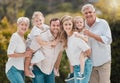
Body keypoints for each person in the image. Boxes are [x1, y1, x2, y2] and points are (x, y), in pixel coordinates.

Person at [81, 4, 112, 83]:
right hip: (90, 64)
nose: (88, 14)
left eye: (90, 12)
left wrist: (91, 35)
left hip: (103, 62)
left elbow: (108, 40)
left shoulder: (103, 23)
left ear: (94, 12)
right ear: (83, 15)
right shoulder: (82, 25)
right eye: (86, 13)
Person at [60, 15, 91, 83]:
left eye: (70, 24)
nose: (68, 26)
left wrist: (82, 56)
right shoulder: (65, 38)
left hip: (84, 65)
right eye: (66, 24)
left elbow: (88, 50)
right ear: (62, 26)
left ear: (72, 25)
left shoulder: (75, 36)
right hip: (76, 67)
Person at [32, 18, 63, 83]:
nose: (55, 27)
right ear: (50, 26)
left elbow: (60, 53)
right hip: (38, 69)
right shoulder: (43, 36)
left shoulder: (61, 39)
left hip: (50, 70)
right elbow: (31, 50)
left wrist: (56, 68)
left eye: (57, 25)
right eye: (53, 25)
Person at [24, 11, 49, 78]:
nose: (39, 22)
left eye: (40, 20)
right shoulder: (36, 30)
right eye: (36, 21)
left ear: (43, 19)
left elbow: (50, 31)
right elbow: (40, 41)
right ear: (34, 22)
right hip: (30, 43)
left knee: (41, 55)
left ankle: (31, 65)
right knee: (29, 53)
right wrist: (50, 43)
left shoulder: (45, 27)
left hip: (37, 46)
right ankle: (27, 69)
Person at [5, 17, 30, 83]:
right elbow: (9, 54)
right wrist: (24, 54)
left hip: (21, 70)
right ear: (18, 25)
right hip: (13, 68)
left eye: (26, 25)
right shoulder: (15, 36)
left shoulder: (23, 38)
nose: (24, 27)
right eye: (22, 24)